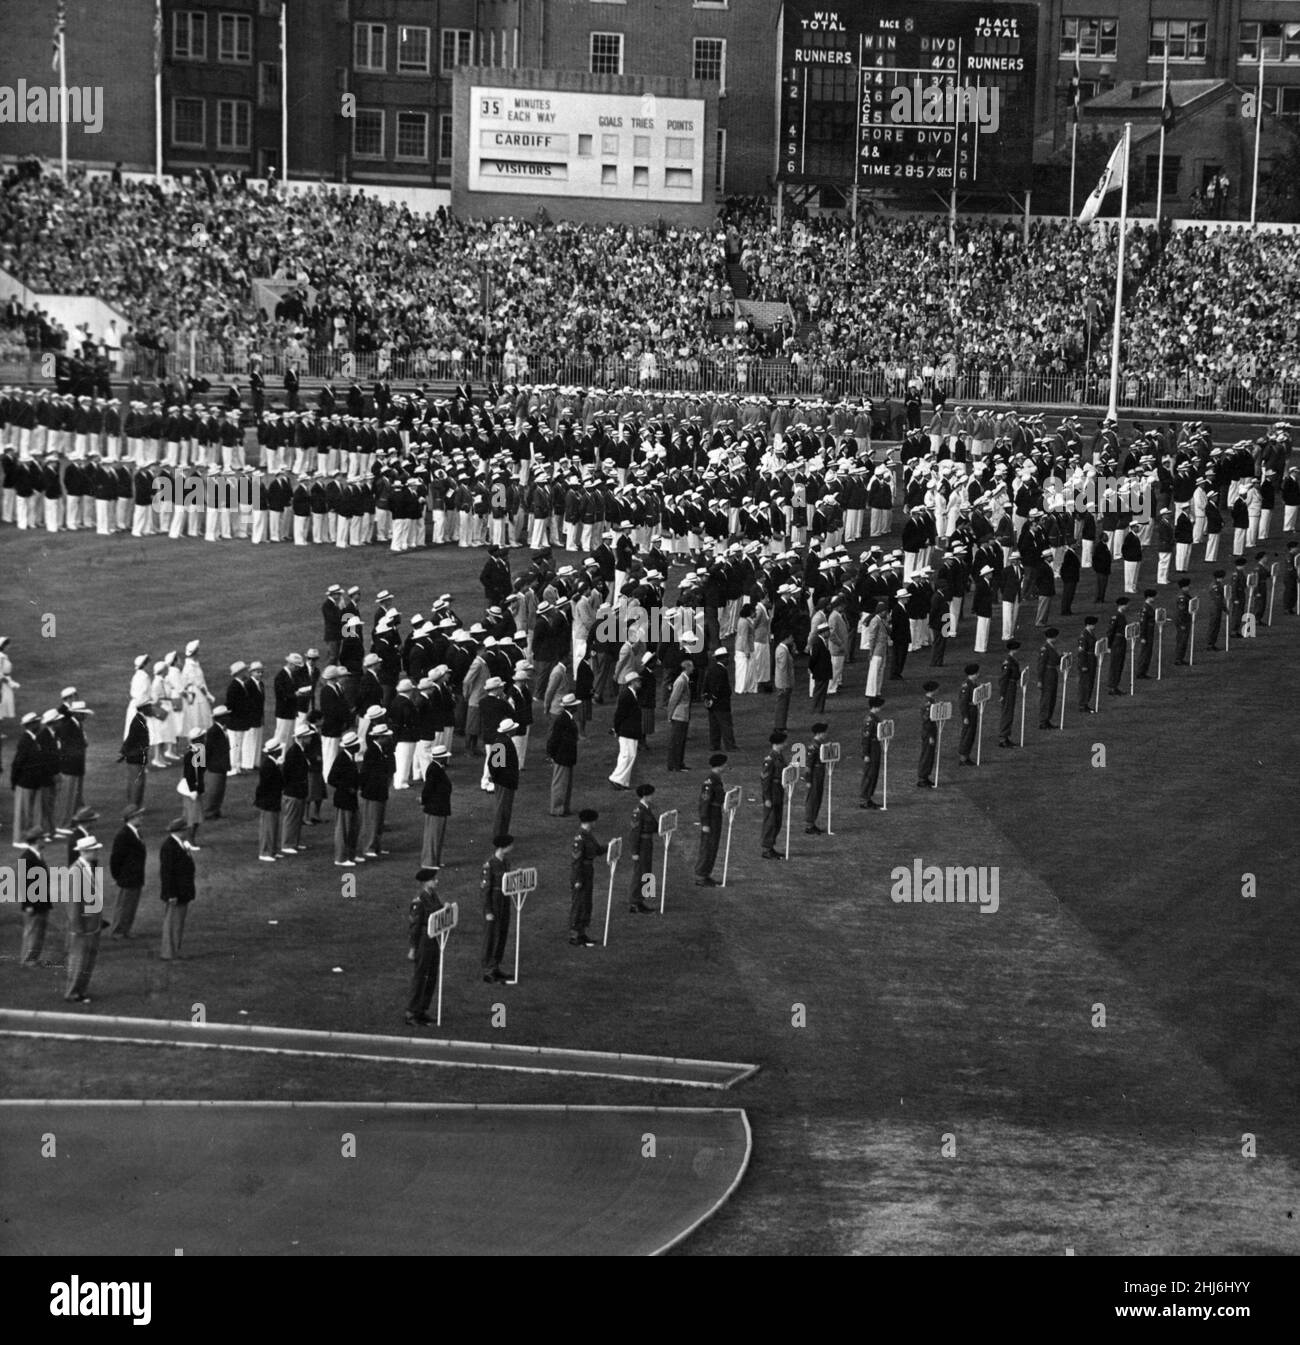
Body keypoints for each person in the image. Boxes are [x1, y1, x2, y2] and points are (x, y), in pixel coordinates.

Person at [64, 835, 103, 1003]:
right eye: (94, 849)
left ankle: (80, 991)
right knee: (80, 959)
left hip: (92, 923)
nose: (97, 852)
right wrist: (77, 927)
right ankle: (72, 992)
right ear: (86, 851)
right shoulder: (76, 871)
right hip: (83, 926)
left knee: (88, 960)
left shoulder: (88, 867)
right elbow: (73, 902)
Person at [405, 866, 445, 1026]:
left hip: (434, 939)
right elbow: (414, 927)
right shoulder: (419, 901)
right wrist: (413, 948)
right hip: (423, 941)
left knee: (431, 976)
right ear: (426, 882)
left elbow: (438, 912)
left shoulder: (433, 896)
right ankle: (411, 1012)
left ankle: (422, 1010)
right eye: (433, 879)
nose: (436, 881)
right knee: (420, 977)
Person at [159, 815, 197, 961]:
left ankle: (174, 950)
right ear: (179, 831)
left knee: (177, 923)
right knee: (173, 923)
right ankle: (169, 952)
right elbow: (167, 873)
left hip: (182, 891)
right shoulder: (169, 847)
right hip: (176, 893)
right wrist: (171, 894)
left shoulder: (178, 844)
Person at [106, 805, 146, 936]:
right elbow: (116, 859)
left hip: (135, 877)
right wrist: (118, 877)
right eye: (139, 816)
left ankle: (125, 930)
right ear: (131, 818)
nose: (141, 818)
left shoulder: (135, 832)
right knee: (124, 906)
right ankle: (118, 931)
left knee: (130, 906)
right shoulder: (123, 835)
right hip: (127, 878)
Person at [480, 834, 514, 982]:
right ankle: (488, 969)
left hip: (504, 901)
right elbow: (485, 890)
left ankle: (495, 966)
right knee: (492, 936)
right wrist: (487, 910)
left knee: (502, 934)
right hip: (494, 902)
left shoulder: (505, 861)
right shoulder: (490, 864)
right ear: (503, 846)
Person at [17, 827, 49, 966]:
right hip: (33, 903)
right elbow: (23, 883)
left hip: (41, 901)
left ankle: (33, 958)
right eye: (42, 838)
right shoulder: (26, 857)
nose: (45, 840)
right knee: (32, 932)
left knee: (39, 932)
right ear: (37, 840)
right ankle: (27, 960)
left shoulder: (37, 854)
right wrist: (28, 905)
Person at [329, 730, 361, 867]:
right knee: (343, 830)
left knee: (354, 828)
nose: (359, 746)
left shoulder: (349, 758)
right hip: (344, 799)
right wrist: (347, 788)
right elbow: (331, 779)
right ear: (351, 746)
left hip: (351, 799)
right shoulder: (342, 759)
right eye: (356, 744)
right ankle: (341, 858)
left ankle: (350, 855)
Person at [569, 809, 601, 945]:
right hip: (582, 873)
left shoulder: (588, 835)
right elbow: (576, 861)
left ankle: (582, 932)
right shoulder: (580, 838)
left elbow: (598, 850)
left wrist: (611, 847)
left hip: (588, 871)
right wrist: (578, 880)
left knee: (586, 902)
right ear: (591, 821)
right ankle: (575, 934)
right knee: (579, 904)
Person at [545, 694, 579, 816]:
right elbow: (554, 739)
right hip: (562, 756)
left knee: (567, 784)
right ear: (570, 707)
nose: (577, 707)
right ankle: (557, 809)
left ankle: (564, 807)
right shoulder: (562, 720)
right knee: (560, 784)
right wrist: (552, 754)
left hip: (567, 756)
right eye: (575, 705)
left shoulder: (567, 718)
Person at [695, 754, 726, 885]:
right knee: (708, 846)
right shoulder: (710, 781)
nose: (726, 766)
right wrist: (705, 823)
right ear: (720, 765)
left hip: (716, 814)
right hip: (711, 816)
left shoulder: (716, 778)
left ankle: (706, 873)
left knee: (713, 846)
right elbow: (704, 803)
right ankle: (701, 875)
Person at [609, 671, 642, 790]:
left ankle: (622, 781)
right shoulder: (626, 695)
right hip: (626, 731)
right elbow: (619, 714)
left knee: (630, 755)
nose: (640, 682)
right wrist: (616, 729)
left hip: (630, 730)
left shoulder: (631, 694)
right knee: (627, 755)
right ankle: (616, 778)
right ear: (632, 682)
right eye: (638, 681)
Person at [420, 744, 452, 868]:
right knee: (432, 837)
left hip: (439, 807)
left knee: (437, 836)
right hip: (435, 808)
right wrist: (424, 800)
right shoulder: (434, 769)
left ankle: (434, 860)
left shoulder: (437, 768)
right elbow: (428, 789)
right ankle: (428, 862)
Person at [627, 784, 657, 913]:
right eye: (651, 794)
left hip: (647, 843)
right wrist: (634, 851)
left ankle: (641, 900)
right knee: (639, 873)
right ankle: (635, 902)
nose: (652, 796)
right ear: (645, 795)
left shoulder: (646, 808)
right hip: (642, 845)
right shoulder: (639, 811)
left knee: (646, 871)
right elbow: (634, 833)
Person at [760, 730, 789, 859]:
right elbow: (765, 780)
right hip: (772, 792)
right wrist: (766, 798)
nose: (786, 744)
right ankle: (766, 848)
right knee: (770, 821)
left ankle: (771, 846)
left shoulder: (780, 756)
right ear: (777, 744)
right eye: (783, 742)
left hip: (779, 791)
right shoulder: (770, 759)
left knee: (777, 820)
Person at [254, 740, 285, 861]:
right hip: (269, 801)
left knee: (273, 826)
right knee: (268, 827)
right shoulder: (268, 765)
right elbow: (265, 786)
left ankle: (272, 850)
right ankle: (265, 852)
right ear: (276, 751)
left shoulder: (272, 763)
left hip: (273, 800)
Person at [489, 719, 520, 836]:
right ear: (510, 730)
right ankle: (499, 834)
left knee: (504, 809)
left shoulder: (502, 741)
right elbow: (495, 765)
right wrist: (499, 778)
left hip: (504, 781)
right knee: (502, 809)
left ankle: (502, 833)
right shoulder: (503, 743)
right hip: (504, 782)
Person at [704, 647, 738, 750]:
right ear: (723, 658)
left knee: (714, 726)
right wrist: (714, 698)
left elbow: (705, 684)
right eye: (727, 657)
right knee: (726, 724)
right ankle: (730, 745)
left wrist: (707, 697)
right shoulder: (722, 671)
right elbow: (719, 687)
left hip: (712, 703)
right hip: (721, 703)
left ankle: (714, 745)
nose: (728, 660)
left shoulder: (711, 669)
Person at [665, 659, 693, 772]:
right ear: (687, 668)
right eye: (691, 667)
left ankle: (678, 763)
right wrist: (669, 715)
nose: (693, 669)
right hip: (679, 715)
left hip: (682, 715)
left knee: (680, 741)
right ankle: (675, 764)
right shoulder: (681, 681)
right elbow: (673, 699)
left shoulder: (684, 680)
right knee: (676, 741)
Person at [859, 697, 884, 808]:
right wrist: (866, 754)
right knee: (869, 774)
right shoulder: (870, 720)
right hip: (871, 748)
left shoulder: (875, 718)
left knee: (874, 773)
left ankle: (868, 797)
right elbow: (865, 739)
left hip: (876, 747)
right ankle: (864, 799)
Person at [803, 724, 829, 834]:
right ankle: (809, 825)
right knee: (813, 799)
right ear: (819, 733)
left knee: (818, 798)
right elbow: (808, 765)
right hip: (814, 775)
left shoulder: (819, 745)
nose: (826, 734)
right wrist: (808, 780)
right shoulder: (813, 746)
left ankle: (812, 823)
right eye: (824, 732)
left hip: (819, 773)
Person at [997, 639, 1021, 747]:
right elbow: (1003, 679)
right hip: (1008, 688)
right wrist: (1002, 694)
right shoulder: (1008, 662)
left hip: (1011, 687)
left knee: (1009, 712)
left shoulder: (1012, 660)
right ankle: (1003, 738)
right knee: (1007, 712)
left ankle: (1006, 736)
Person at [916, 681, 939, 787]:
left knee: (930, 754)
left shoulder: (931, 701)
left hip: (931, 730)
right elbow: (927, 721)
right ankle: (922, 778)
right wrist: (930, 736)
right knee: (927, 754)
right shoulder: (928, 703)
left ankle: (925, 776)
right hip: (928, 732)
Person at [1036, 629, 1060, 728]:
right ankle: (1043, 721)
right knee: (1047, 698)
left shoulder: (1051, 647)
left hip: (1052, 673)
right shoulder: (1045, 649)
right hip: (1047, 675)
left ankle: (1047, 719)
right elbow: (1041, 665)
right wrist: (1040, 680)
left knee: (1052, 697)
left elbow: (1056, 661)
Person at [1106, 597, 1130, 695]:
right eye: (1127, 604)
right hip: (1117, 643)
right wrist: (1108, 646)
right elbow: (1110, 632)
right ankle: (1112, 687)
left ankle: (1115, 686)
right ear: (1122, 605)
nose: (1128, 606)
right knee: (1115, 664)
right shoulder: (1116, 617)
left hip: (1121, 641)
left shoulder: (1121, 615)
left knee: (1119, 664)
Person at [957, 663, 979, 764]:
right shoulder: (966, 686)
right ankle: (963, 758)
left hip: (973, 710)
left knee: (971, 734)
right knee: (967, 734)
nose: (978, 674)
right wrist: (965, 716)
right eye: (976, 673)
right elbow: (963, 703)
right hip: (969, 711)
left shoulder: (973, 683)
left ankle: (967, 755)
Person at [773, 632, 795, 732]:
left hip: (783, 683)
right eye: (791, 637)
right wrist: (785, 685)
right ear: (787, 638)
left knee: (783, 705)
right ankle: (779, 726)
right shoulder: (782, 651)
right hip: (783, 684)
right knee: (782, 706)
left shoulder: (782, 649)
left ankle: (781, 725)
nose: (792, 639)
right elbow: (783, 669)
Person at [1077, 617, 1100, 712]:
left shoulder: (1090, 633)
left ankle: (1086, 703)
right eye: (1093, 624)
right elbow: (1082, 652)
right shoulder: (1084, 636)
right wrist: (1083, 665)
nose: (1094, 626)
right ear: (1088, 625)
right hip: (1087, 661)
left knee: (1090, 683)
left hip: (1091, 660)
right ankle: (1082, 704)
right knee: (1085, 684)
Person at [1135, 590, 1158, 679]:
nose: (1154, 598)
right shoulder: (1145, 608)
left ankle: (1144, 672)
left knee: (1148, 653)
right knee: (1145, 653)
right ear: (1148, 597)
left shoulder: (1149, 607)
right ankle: (1140, 672)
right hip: (1147, 634)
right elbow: (1143, 623)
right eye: (1153, 597)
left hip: (1150, 633)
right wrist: (1143, 636)